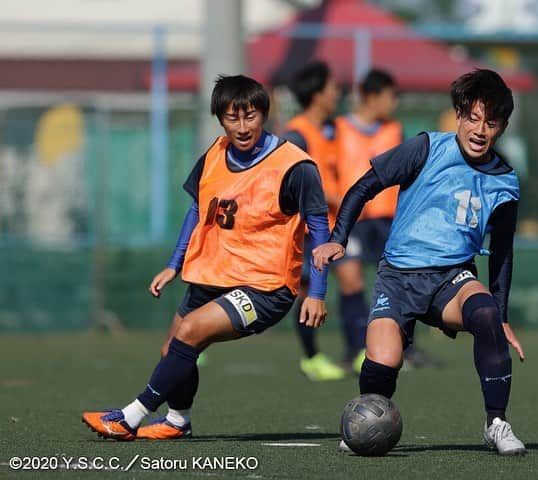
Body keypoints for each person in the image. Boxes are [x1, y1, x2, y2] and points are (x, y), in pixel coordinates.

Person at [81, 74, 330, 440]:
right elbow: (198, 210)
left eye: (251, 116)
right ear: (220, 119)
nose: (243, 127)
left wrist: (318, 292)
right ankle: (178, 421)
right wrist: (173, 264)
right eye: (233, 118)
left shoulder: (294, 165)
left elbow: (319, 227)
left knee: (191, 331)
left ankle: (129, 417)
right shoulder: (214, 154)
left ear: (265, 113)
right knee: (174, 347)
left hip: (265, 286)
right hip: (211, 274)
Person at [314, 69, 527, 455]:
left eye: (491, 122)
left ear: (503, 127)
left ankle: (496, 423)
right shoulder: (426, 148)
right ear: (459, 116)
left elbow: (502, 251)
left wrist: (503, 313)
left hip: (452, 280)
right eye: (473, 118)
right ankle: (364, 423)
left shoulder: (505, 180)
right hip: (398, 278)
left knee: (486, 315)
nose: (480, 130)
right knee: (383, 362)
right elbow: (364, 187)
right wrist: (337, 239)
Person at [333, 69, 403, 371]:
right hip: (352, 218)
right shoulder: (336, 129)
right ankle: (355, 350)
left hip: (388, 217)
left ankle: (403, 349)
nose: (394, 103)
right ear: (372, 97)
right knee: (351, 281)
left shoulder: (395, 130)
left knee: (400, 282)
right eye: (391, 96)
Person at [283, 60, 346, 381]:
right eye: (332, 87)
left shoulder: (330, 130)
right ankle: (312, 357)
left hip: (328, 227)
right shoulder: (297, 134)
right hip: (303, 231)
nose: (338, 92)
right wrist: (333, 198)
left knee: (331, 287)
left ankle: (323, 356)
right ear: (317, 93)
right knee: (296, 293)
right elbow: (292, 185)